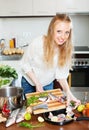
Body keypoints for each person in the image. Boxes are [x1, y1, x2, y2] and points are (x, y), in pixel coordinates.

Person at [21, 13, 80, 106]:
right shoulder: (38, 43)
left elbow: (61, 76)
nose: (63, 36)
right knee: (33, 110)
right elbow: (25, 64)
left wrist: (69, 93)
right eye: (59, 31)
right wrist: (37, 83)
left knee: (48, 110)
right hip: (29, 82)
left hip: (48, 84)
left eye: (67, 32)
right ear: (51, 30)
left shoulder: (66, 50)